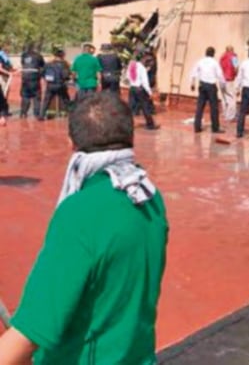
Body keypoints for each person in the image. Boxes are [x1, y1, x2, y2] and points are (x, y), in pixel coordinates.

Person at [0, 93, 168, 364]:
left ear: (72, 143)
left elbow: (29, 334)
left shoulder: (80, 215)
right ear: (130, 138)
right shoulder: (149, 197)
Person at [189, 47, 226, 134]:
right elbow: (220, 75)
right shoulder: (214, 63)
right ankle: (215, 127)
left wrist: (192, 83)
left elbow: (193, 72)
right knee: (214, 107)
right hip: (211, 86)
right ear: (213, 54)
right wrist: (223, 85)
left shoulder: (200, 61)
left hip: (202, 85)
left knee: (200, 107)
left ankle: (197, 126)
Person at [126, 54, 159, 131]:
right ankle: (150, 125)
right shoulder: (142, 68)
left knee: (131, 107)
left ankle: (127, 124)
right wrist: (150, 93)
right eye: (149, 64)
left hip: (132, 88)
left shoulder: (132, 65)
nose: (149, 67)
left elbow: (128, 76)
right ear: (145, 62)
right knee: (145, 107)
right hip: (140, 90)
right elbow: (145, 82)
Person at [40, 49, 72, 120]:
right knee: (66, 99)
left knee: (46, 100)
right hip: (60, 84)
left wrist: (46, 80)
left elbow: (42, 73)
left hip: (50, 85)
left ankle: (41, 116)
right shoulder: (65, 64)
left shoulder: (48, 64)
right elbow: (66, 75)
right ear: (63, 56)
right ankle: (71, 114)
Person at [19, 43, 45, 119]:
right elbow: (43, 65)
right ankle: (37, 113)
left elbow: (23, 63)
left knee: (25, 96)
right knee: (36, 96)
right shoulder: (38, 55)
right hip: (34, 78)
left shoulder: (24, 55)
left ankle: (23, 113)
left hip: (25, 78)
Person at [219, 45, 239, 122]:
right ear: (231, 50)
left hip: (221, 80)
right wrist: (236, 74)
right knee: (231, 98)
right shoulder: (234, 57)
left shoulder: (222, 57)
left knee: (224, 98)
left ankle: (225, 113)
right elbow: (236, 67)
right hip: (229, 79)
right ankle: (230, 116)